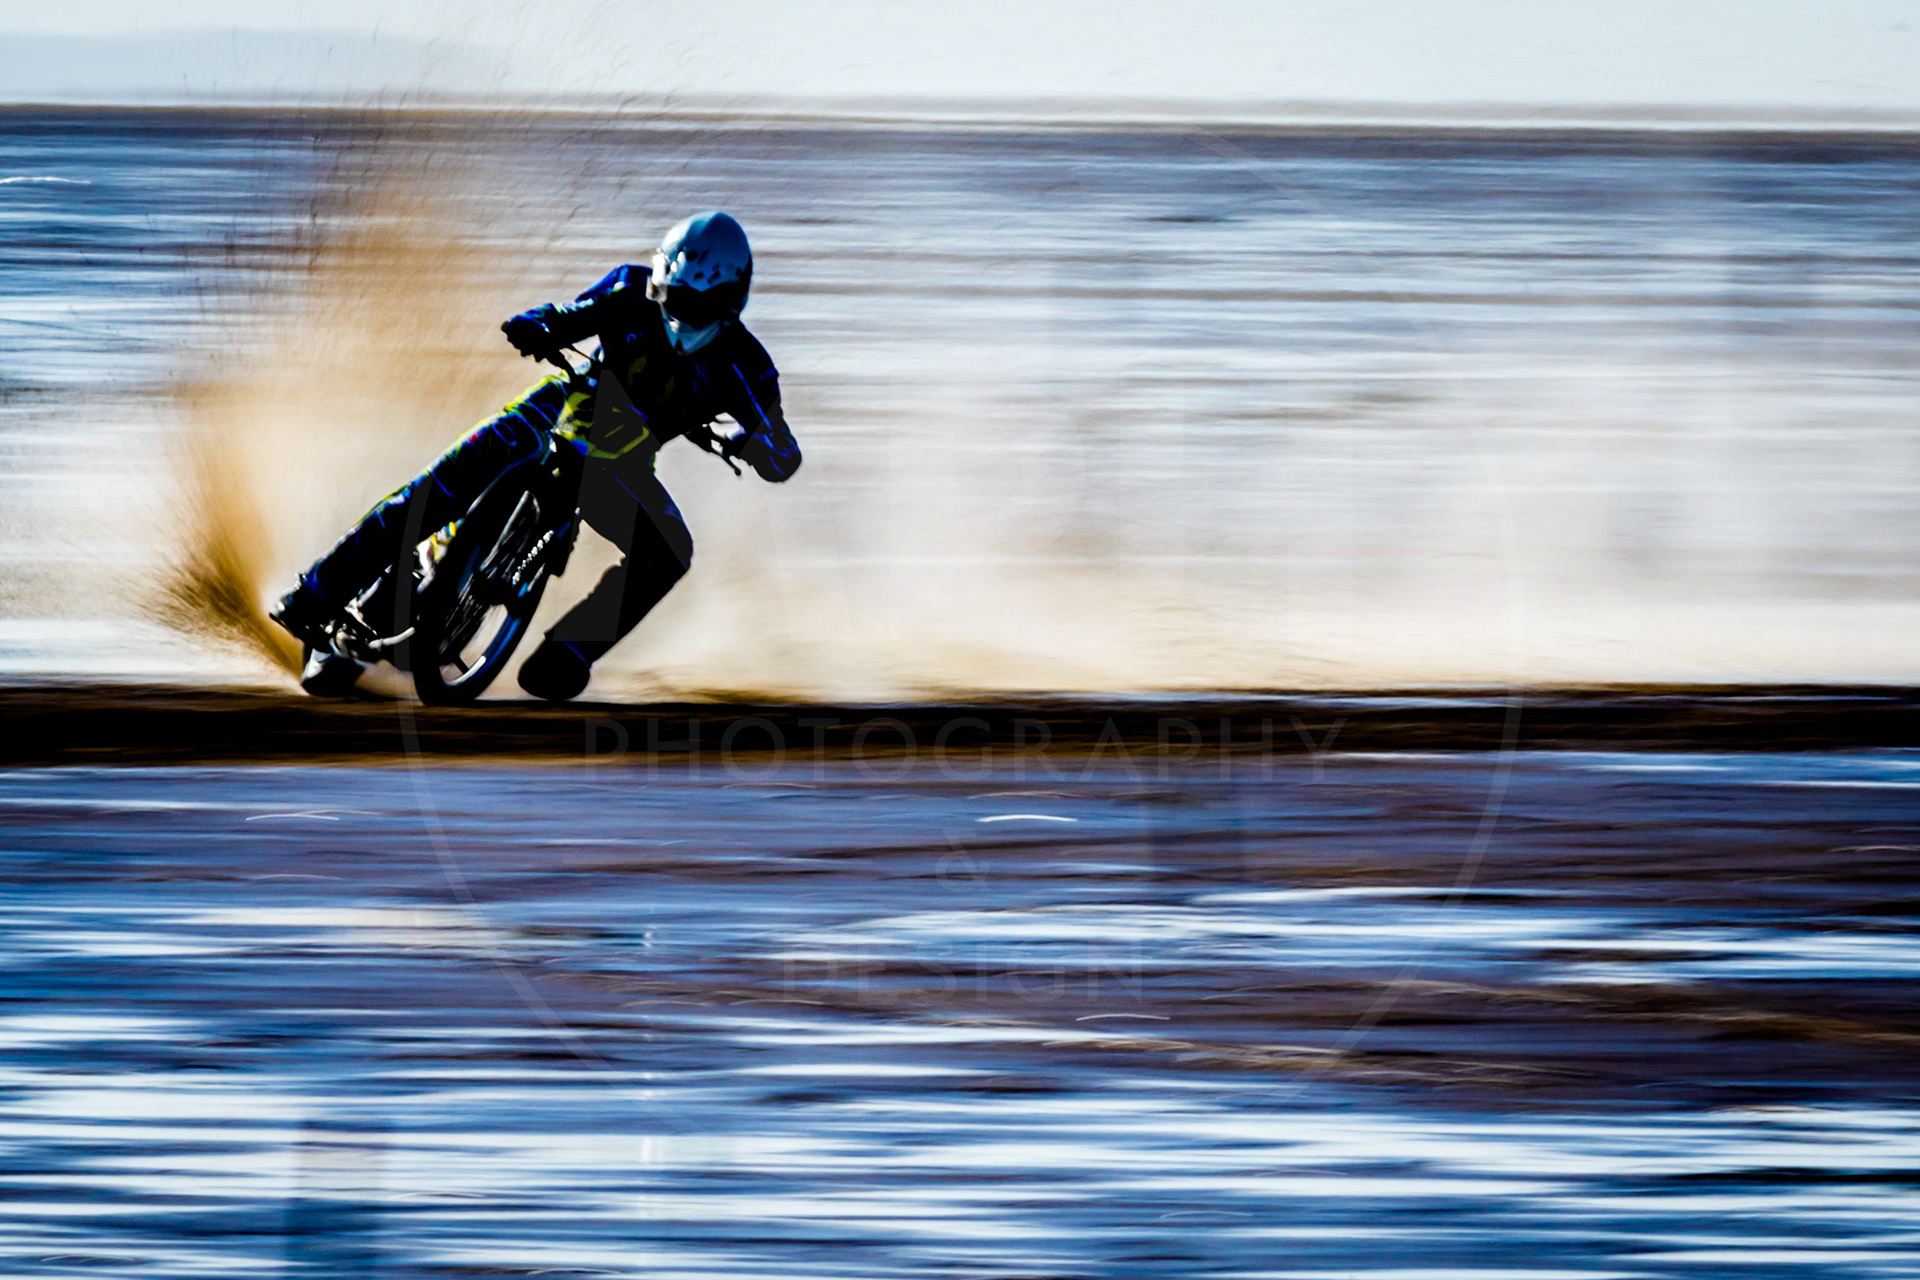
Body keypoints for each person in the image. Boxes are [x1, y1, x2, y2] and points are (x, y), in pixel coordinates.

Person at [268, 210, 802, 702]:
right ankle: (315, 593)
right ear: (658, 281)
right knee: (438, 486)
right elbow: (567, 315)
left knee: (670, 550)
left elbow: (782, 449)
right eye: (670, 295)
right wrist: (536, 324)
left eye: (697, 305)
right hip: (549, 413)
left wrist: (759, 447)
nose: (679, 313)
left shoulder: (749, 367)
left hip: (622, 465)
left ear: (732, 300)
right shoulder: (626, 289)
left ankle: (569, 650)